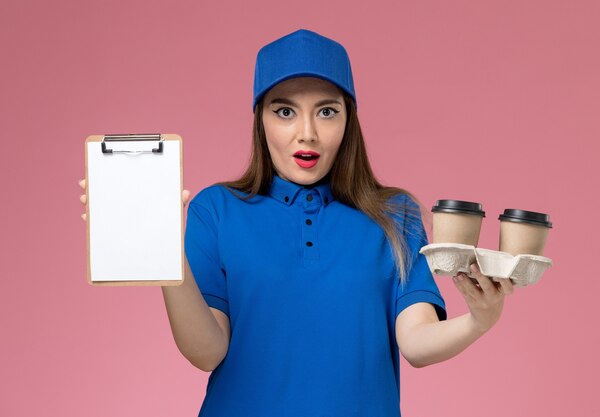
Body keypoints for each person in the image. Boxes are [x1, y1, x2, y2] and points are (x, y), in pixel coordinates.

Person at [79, 28, 514, 417]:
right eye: (284, 111)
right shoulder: (216, 210)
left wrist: (478, 320)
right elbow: (207, 352)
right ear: (260, 120)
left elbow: (416, 343)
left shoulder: (394, 215)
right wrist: (164, 253)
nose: (306, 132)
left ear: (349, 121)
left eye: (327, 111)